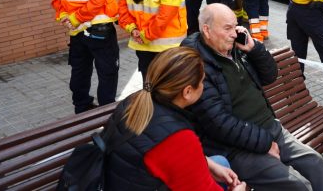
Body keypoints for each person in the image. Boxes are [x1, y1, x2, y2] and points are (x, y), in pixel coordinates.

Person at [181, 3, 323, 190]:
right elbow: (219, 123)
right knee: (297, 185)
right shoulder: (196, 66)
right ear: (207, 30)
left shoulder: (236, 47)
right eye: (227, 28)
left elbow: (270, 75)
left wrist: (254, 48)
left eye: (235, 26)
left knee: (315, 162)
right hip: (238, 148)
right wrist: (265, 144)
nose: (234, 33)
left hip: (272, 129)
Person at [104, 47, 246, 191]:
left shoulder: (135, 101)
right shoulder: (177, 137)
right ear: (188, 92)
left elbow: (154, 152)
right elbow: (171, 148)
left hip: (120, 181)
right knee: (223, 164)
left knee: (219, 162)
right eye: (202, 81)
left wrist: (208, 164)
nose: (203, 85)